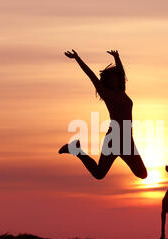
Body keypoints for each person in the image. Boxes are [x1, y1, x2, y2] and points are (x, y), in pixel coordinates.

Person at [59, 49, 147, 180]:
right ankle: (76, 150)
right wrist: (77, 58)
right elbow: (91, 76)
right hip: (114, 138)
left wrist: (117, 57)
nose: (114, 81)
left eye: (115, 79)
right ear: (108, 82)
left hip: (127, 140)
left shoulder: (122, 91)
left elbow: (121, 73)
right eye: (110, 80)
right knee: (99, 174)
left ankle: (75, 149)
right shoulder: (107, 94)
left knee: (142, 174)